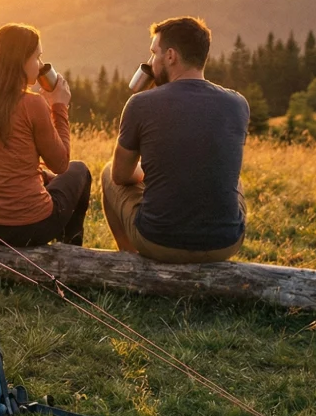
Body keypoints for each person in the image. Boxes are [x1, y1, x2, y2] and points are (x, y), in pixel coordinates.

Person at [102, 16, 248, 263]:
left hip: (158, 242)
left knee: (107, 173)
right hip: (225, 244)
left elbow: (121, 176)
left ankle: (129, 259)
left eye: (153, 53)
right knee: (235, 180)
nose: (150, 62)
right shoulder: (237, 103)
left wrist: (146, 174)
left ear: (170, 56)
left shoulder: (140, 103)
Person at [0, 23, 91, 247]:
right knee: (79, 171)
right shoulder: (31, 103)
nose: (40, 66)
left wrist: (37, 174)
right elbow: (61, 164)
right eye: (37, 57)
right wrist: (59, 107)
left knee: (50, 178)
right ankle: (71, 251)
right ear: (21, 61)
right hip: (26, 227)